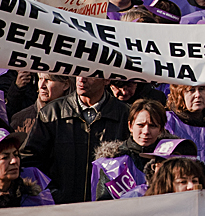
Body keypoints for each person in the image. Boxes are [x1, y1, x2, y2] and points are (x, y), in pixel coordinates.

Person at [20, 75, 129, 203]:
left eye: (90, 75)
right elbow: (29, 161)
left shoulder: (125, 115)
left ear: (107, 79)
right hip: (62, 209)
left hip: (108, 210)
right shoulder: (51, 113)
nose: (81, 79)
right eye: (78, 72)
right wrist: (51, 193)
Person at [91, 100, 170, 200]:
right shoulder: (112, 163)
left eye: (153, 126)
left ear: (161, 130)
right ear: (130, 126)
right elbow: (103, 202)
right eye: (140, 125)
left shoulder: (170, 159)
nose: (146, 131)